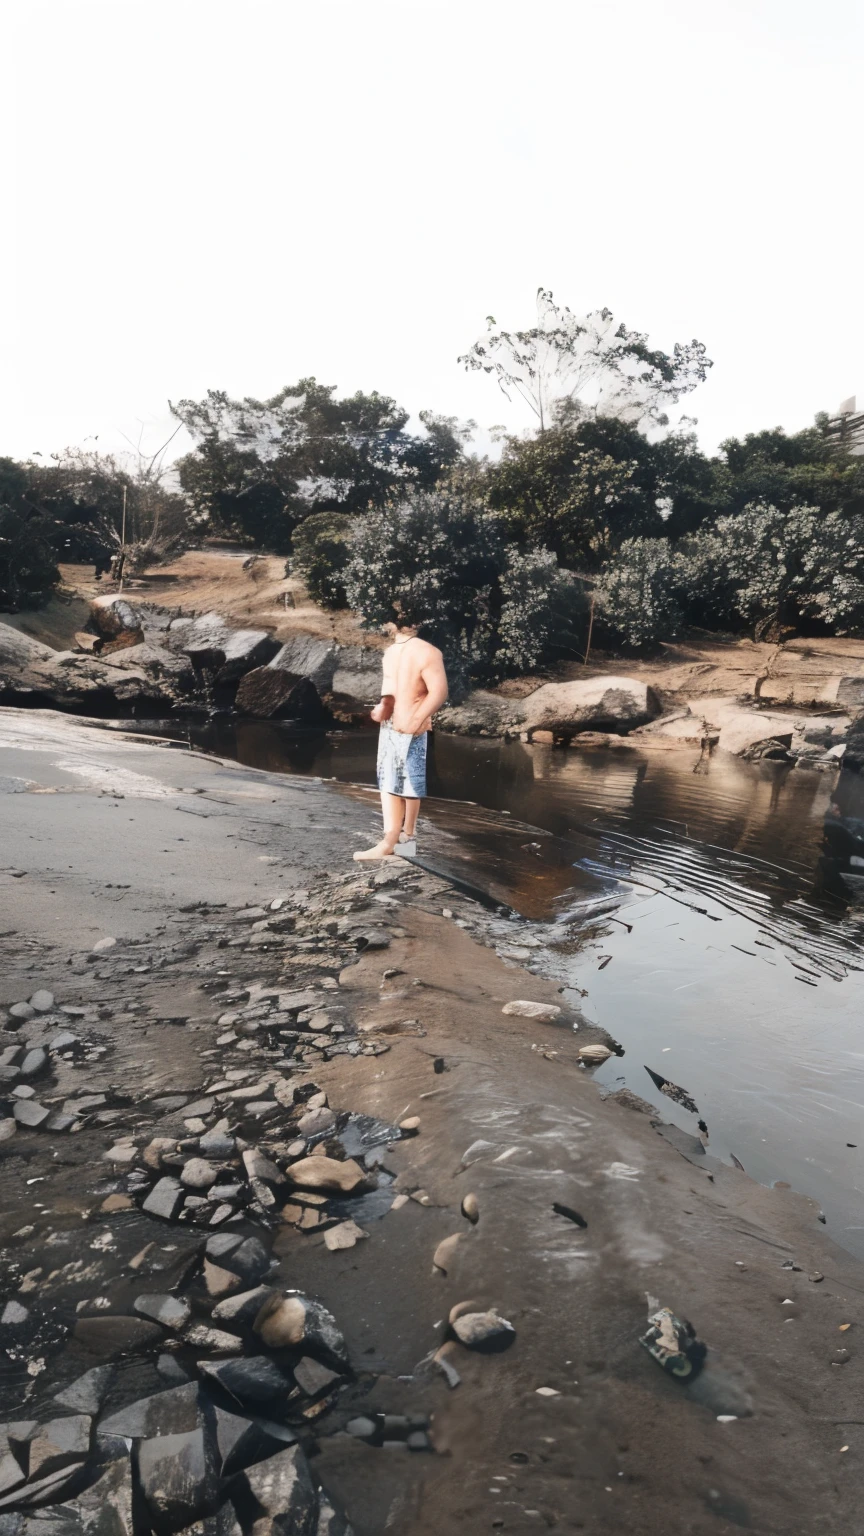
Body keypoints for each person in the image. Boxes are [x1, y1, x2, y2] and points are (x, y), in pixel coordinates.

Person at [354, 618, 449, 862]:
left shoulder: (427, 651)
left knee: (409, 786)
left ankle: (403, 843)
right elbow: (390, 692)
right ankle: (391, 842)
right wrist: (382, 708)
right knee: (389, 784)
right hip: (392, 726)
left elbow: (439, 692)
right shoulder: (391, 652)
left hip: (411, 727)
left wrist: (416, 720)